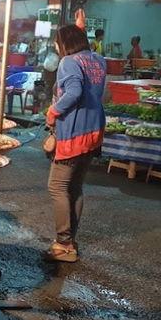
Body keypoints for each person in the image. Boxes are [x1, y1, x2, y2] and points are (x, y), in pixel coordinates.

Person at [45, 25, 106, 263]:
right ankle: (70, 240)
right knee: (75, 187)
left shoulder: (68, 62)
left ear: (64, 44)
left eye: (57, 42)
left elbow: (73, 91)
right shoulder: (98, 59)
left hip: (74, 132)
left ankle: (64, 243)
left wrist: (53, 111)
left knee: (57, 186)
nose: (55, 47)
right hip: (94, 130)